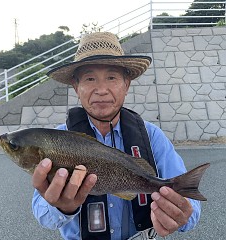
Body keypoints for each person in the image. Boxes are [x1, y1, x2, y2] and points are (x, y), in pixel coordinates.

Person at [32, 32, 200, 240]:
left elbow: (192, 212)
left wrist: (180, 214)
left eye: (111, 77)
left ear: (126, 84)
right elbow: (42, 216)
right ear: (76, 87)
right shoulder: (57, 140)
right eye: (90, 78)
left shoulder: (152, 135)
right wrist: (61, 208)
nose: (101, 90)